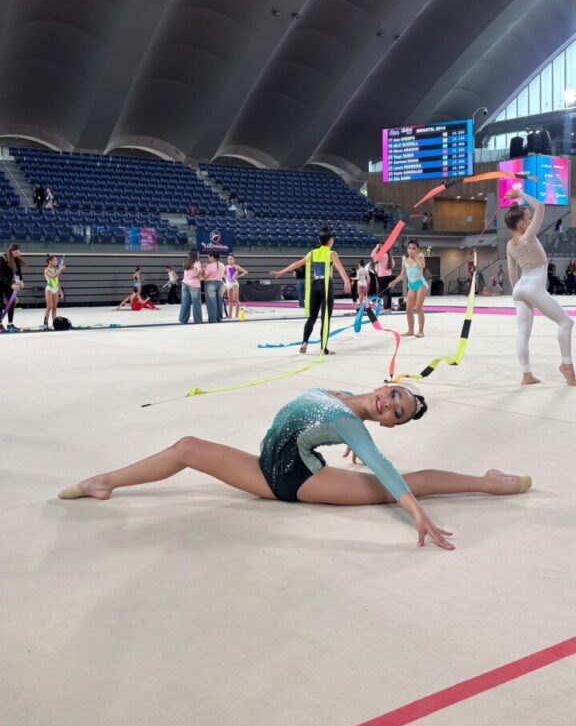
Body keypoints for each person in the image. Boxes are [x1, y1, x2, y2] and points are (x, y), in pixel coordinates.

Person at [58, 384, 533, 551]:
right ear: (386, 384)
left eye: (397, 413)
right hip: (266, 469)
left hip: (297, 480)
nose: (389, 405)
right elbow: (320, 423)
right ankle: (104, 481)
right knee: (187, 447)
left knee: (402, 485)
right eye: (395, 396)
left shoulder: (351, 423)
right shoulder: (338, 398)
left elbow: (382, 463)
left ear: (390, 424)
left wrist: (416, 514)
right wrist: (351, 442)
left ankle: (491, 484)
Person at [505, 187, 575, 386]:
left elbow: (512, 274)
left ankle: (526, 374)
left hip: (520, 288)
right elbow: (540, 206)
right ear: (522, 224)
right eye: (529, 218)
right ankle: (566, 366)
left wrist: (518, 293)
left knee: (523, 333)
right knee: (566, 323)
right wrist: (520, 195)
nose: (531, 221)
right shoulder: (528, 236)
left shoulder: (510, 245)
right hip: (533, 286)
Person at [270, 227, 351, 355]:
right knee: (325, 318)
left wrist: (281, 272)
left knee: (311, 317)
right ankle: (323, 348)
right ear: (330, 240)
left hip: (315, 285)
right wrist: (346, 280)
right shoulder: (332, 253)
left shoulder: (313, 252)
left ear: (319, 240)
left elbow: (297, 264)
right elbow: (339, 268)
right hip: (326, 285)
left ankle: (304, 343)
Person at [388, 239, 428, 337]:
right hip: (411, 285)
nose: (411, 250)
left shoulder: (420, 257)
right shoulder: (404, 261)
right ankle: (410, 331)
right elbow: (402, 275)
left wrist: (415, 257)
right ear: (407, 249)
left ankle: (421, 331)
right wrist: (394, 282)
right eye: (409, 248)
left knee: (418, 307)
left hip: (421, 284)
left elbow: (422, 266)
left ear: (417, 249)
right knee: (408, 309)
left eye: (414, 248)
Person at [0, 243, 24, 332]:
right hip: (1, 282)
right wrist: (11, 285)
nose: (17, 255)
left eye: (18, 253)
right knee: (0, 304)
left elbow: (18, 271)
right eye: (15, 253)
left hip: (8, 284)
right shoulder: (2, 258)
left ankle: (10, 324)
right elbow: (1, 275)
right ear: (10, 251)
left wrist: (21, 280)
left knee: (11, 302)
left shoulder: (16, 258)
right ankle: (0, 325)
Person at [179, 250, 203, 324]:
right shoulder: (197, 263)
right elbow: (200, 270)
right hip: (194, 285)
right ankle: (198, 320)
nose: (199, 255)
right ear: (195, 255)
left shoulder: (185, 262)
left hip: (185, 283)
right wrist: (196, 275)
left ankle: (183, 319)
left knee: (185, 302)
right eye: (198, 254)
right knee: (196, 303)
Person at [44, 254, 66, 329]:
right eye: (55, 260)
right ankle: (45, 323)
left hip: (56, 289)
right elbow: (53, 276)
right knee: (49, 307)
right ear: (50, 261)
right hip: (49, 289)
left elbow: (57, 280)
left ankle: (55, 323)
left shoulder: (55, 270)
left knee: (54, 308)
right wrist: (60, 270)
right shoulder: (46, 270)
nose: (56, 262)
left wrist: (60, 291)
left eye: (56, 260)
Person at [371, 242, 395, 310]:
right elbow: (393, 265)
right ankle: (388, 307)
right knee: (388, 292)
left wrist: (377, 247)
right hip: (389, 276)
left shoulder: (382, 255)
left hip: (382, 276)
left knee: (384, 293)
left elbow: (372, 255)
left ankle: (386, 308)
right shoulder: (389, 255)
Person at [203, 252, 226, 323]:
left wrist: (204, 269)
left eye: (209, 257)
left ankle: (213, 319)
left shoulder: (209, 266)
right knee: (219, 302)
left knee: (211, 302)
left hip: (211, 283)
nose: (208, 259)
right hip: (220, 284)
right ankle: (219, 318)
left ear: (212, 257)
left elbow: (204, 276)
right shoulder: (222, 265)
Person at [225, 254, 248, 319]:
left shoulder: (236, 266)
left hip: (234, 284)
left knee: (236, 299)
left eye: (231, 259)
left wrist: (237, 276)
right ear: (227, 260)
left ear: (234, 260)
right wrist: (225, 277)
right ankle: (230, 315)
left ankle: (236, 315)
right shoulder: (225, 267)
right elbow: (221, 273)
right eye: (229, 259)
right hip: (228, 283)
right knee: (230, 300)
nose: (230, 260)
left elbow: (245, 272)